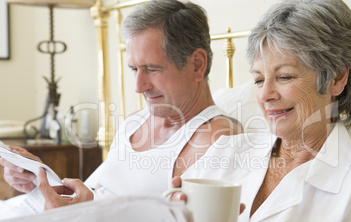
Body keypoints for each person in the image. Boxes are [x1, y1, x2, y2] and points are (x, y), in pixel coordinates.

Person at [172, 0, 351, 222]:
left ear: (337, 78)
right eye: (258, 79)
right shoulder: (226, 151)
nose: (265, 95)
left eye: (285, 77)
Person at [0, 0, 241, 211]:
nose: (138, 86)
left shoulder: (218, 138)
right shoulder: (135, 122)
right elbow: (97, 193)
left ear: (197, 65)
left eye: (152, 69)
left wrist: (87, 216)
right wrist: (42, 180)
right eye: (134, 69)